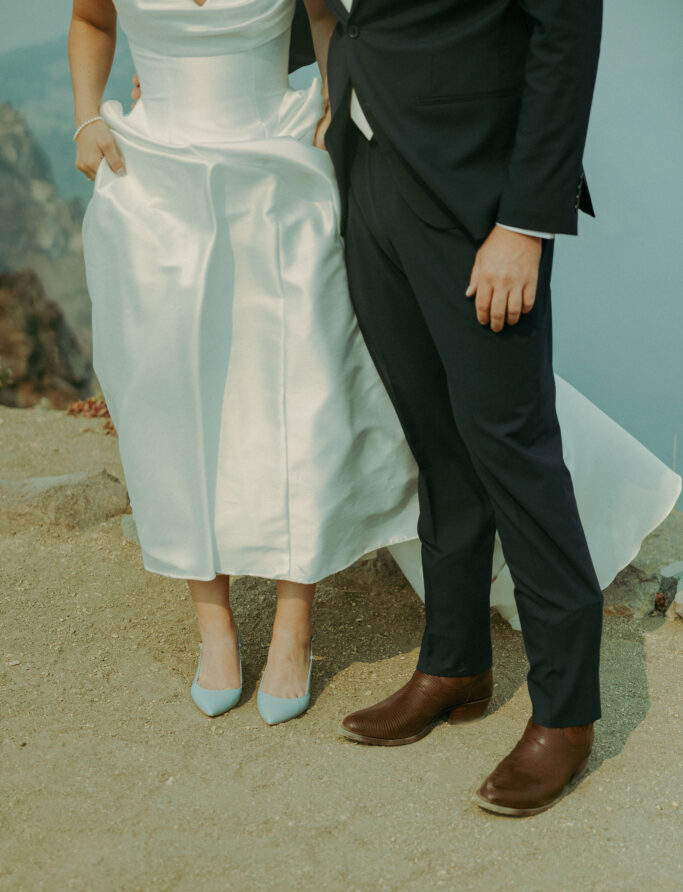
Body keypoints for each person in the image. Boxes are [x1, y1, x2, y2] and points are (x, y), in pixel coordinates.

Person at [307, 0, 682, 814]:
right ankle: (452, 663)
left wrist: (524, 223)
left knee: (508, 442)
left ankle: (565, 711)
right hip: (367, 171)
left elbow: (567, 33)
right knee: (433, 440)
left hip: (479, 197)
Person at [69, 0, 421, 726]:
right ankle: (215, 627)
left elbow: (326, 17)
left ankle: (295, 622)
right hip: (153, 182)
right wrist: (85, 118)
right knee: (170, 399)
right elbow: (93, 22)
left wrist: (330, 102)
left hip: (279, 170)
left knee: (301, 386)